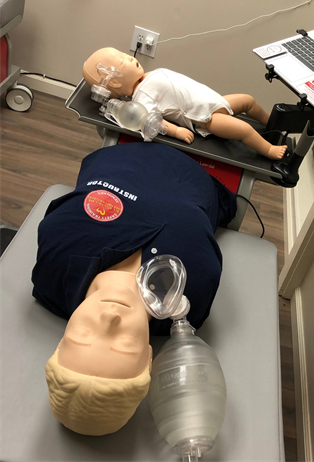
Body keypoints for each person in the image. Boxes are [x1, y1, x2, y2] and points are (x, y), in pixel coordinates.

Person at [32, 142, 236, 435]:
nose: (110, 318)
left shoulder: (54, 260)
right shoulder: (193, 287)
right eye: (125, 344)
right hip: (204, 164)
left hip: (120, 143)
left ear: (60, 343)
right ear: (149, 358)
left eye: (83, 334)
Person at [82, 47, 287, 160]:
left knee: (248, 100)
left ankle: (272, 123)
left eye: (125, 54)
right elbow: (152, 121)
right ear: (114, 81)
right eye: (122, 61)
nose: (129, 57)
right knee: (244, 130)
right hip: (206, 118)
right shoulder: (141, 97)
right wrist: (176, 131)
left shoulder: (147, 76)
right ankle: (269, 150)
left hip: (214, 101)